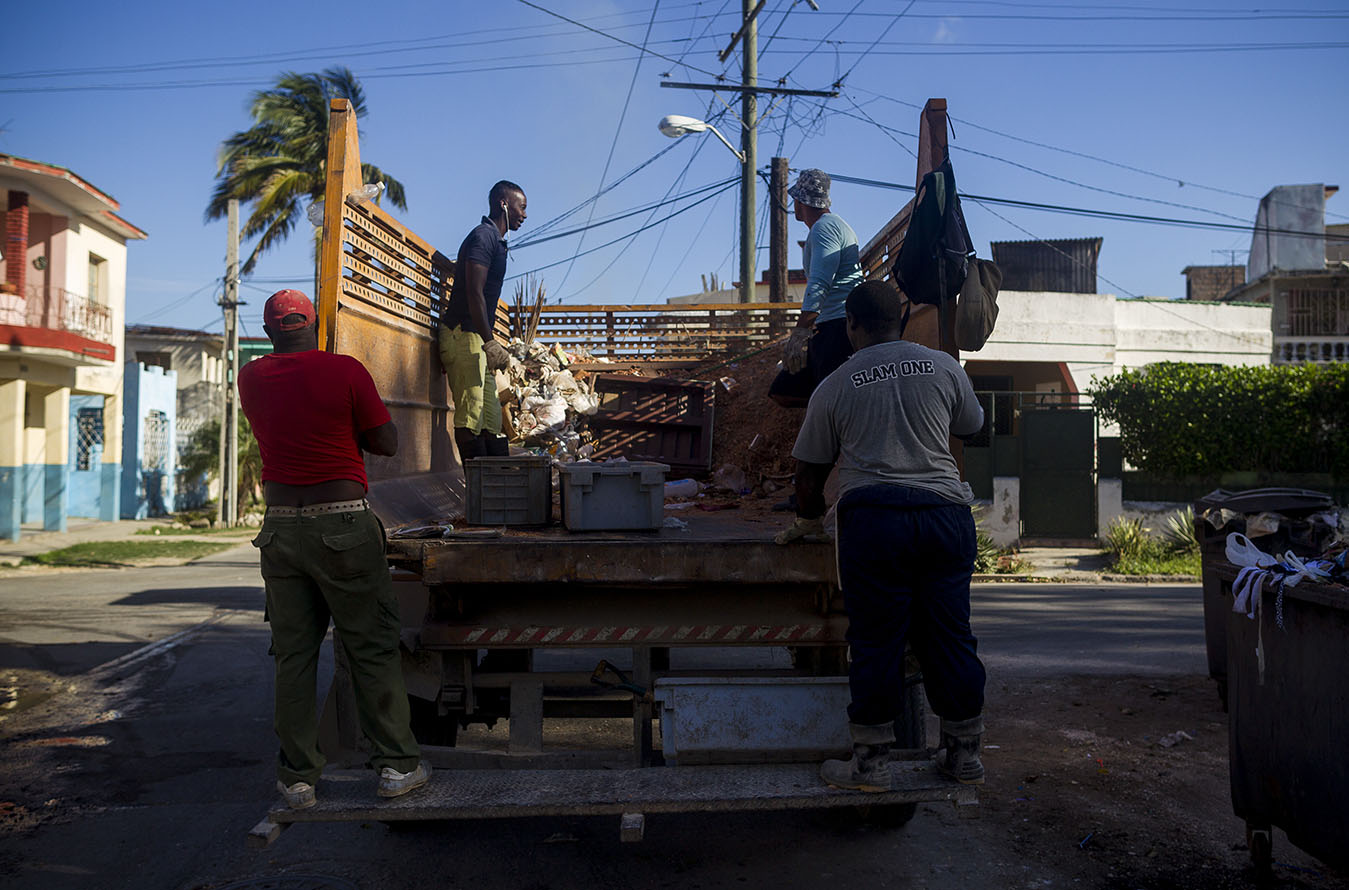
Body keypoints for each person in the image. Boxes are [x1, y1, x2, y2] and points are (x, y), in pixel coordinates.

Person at [774, 279, 988, 792]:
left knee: (875, 640)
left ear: (851, 325)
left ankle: (870, 766)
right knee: (951, 635)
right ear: (903, 316)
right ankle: (964, 756)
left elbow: (808, 474)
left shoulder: (836, 384)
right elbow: (974, 426)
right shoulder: (943, 366)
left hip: (875, 523)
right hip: (944, 516)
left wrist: (806, 521)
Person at [240, 289, 430, 809]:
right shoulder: (346, 371)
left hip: (279, 529)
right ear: (316, 323)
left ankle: (297, 778)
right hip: (343, 524)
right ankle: (396, 767)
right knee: (369, 647)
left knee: (294, 657)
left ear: (270, 329)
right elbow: (386, 442)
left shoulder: (250, 377)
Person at [438, 180, 527, 461]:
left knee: (491, 423)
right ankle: (477, 501)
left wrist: (489, 341)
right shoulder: (483, 236)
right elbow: (474, 291)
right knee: (471, 420)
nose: (524, 215)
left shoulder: (496, 242)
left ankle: (496, 499)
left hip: (477, 339)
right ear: (504, 203)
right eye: (521, 207)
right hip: (463, 335)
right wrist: (490, 342)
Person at [768, 168, 863, 410]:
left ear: (800, 202)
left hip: (837, 326)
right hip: (833, 325)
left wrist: (800, 333)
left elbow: (820, 283)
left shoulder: (824, 229)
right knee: (785, 389)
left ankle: (832, 432)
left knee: (827, 401)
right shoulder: (832, 226)